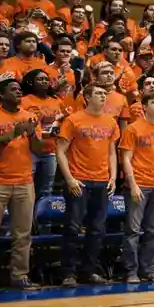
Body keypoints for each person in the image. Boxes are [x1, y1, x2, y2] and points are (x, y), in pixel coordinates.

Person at [0, 78, 43, 291]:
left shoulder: (29, 117)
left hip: (24, 182)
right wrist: (12, 134)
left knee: (23, 233)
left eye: (20, 89)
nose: (18, 92)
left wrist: (32, 135)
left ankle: (19, 275)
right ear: (1, 95)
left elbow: (40, 150)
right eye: (13, 89)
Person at [55, 84, 120, 286]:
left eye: (104, 93)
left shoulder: (110, 122)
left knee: (97, 229)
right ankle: (68, 273)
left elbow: (111, 152)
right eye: (98, 93)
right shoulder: (73, 120)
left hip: (101, 180)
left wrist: (113, 177)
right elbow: (60, 151)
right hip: (79, 181)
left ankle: (89, 271)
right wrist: (69, 179)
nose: (103, 96)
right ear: (87, 97)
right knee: (73, 227)